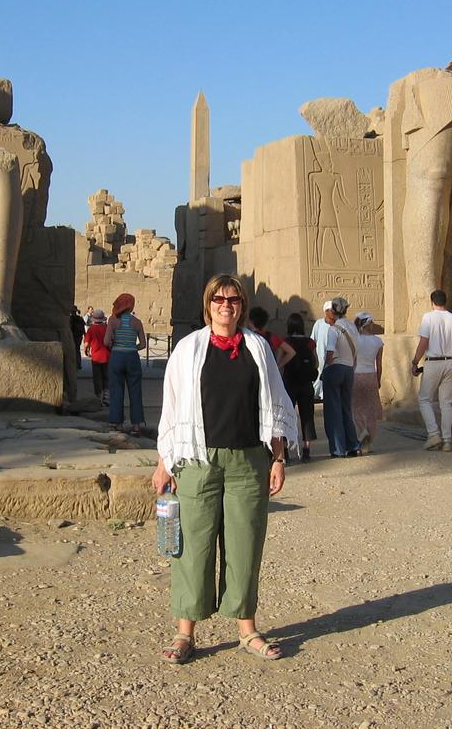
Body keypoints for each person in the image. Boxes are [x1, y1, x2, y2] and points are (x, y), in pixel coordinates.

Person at [153, 274, 298, 664]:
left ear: (242, 306)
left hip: (248, 460)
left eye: (233, 300)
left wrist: (278, 458)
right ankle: (185, 633)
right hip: (197, 461)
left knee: (245, 545)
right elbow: (172, 407)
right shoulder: (188, 349)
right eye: (218, 299)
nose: (226, 306)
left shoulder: (258, 347)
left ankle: (247, 629)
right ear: (208, 304)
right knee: (192, 547)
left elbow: (274, 405)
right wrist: (164, 463)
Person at [410, 289, 452, 452]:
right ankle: (447, 441)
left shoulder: (428, 317)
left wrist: (415, 362)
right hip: (450, 363)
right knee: (446, 403)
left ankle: (433, 434)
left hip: (433, 362)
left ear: (432, 302)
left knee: (424, 399)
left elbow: (424, 342)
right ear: (445, 301)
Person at [320, 297, 360, 458]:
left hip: (335, 368)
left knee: (333, 410)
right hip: (349, 369)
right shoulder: (352, 327)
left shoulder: (334, 329)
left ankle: (338, 448)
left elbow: (330, 352)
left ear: (333, 311)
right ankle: (353, 445)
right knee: (346, 409)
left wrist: (324, 368)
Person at [107, 293, 147, 434]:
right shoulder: (137, 322)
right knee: (135, 391)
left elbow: (106, 341)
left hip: (117, 356)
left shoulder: (113, 321)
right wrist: (132, 347)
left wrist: (115, 345)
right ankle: (136, 425)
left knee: (116, 390)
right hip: (132, 357)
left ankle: (116, 422)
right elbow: (143, 344)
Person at [282, 313, 319, 462]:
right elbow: (316, 362)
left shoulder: (286, 342)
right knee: (307, 416)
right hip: (306, 383)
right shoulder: (310, 342)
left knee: (286, 416)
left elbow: (281, 360)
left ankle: (285, 449)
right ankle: (306, 449)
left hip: (289, 382)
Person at [351, 312, 384, 453]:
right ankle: (369, 441)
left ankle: (361, 432)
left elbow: (352, 361)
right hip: (371, 375)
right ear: (368, 324)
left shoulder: (354, 340)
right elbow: (379, 364)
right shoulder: (378, 341)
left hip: (356, 375)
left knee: (355, 408)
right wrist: (378, 380)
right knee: (371, 410)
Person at [247, 306, 296, 370]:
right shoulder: (271, 336)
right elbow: (291, 352)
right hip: (267, 370)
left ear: (251, 322)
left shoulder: (247, 337)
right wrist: (277, 367)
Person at [83, 309, 110, 406]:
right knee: (106, 377)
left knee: (97, 377)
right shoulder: (107, 328)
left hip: (96, 357)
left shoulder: (91, 329)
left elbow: (86, 343)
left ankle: (98, 397)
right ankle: (106, 397)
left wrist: (86, 351)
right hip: (107, 356)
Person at [309, 301, 333, 401]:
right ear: (326, 311)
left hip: (332, 356)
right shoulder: (319, 323)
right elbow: (313, 340)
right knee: (319, 374)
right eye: (331, 310)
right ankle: (316, 394)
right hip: (320, 355)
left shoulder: (337, 325)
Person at [69, 306, 86, 370]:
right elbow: (83, 328)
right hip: (79, 337)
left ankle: (73, 365)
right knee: (77, 350)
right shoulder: (80, 318)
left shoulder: (70, 319)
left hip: (72, 336)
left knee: (72, 350)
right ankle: (78, 364)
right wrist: (85, 336)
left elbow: (69, 328)